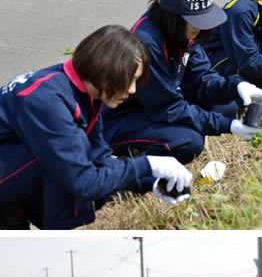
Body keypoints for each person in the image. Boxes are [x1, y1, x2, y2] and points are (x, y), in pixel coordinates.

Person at [0, 25, 191, 230]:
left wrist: (150, 183)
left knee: (72, 155)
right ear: (106, 69)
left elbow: (101, 158)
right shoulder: (48, 102)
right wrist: (148, 164)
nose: (132, 90)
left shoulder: (81, 92)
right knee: (70, 160)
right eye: (130, 80)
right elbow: (85, 182)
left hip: (12, 175)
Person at [103, 0, 262, 164]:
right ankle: (127, 165)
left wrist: (238, 87)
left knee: (229, 107)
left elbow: (201, 79)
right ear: (173, 15)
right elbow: (169, 109)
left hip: (159, 104)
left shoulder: (182, 32)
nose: (200, 27)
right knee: (189, 141)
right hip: (123, 118)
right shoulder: (148, 43)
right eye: (195, 20)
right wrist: (229, 126)